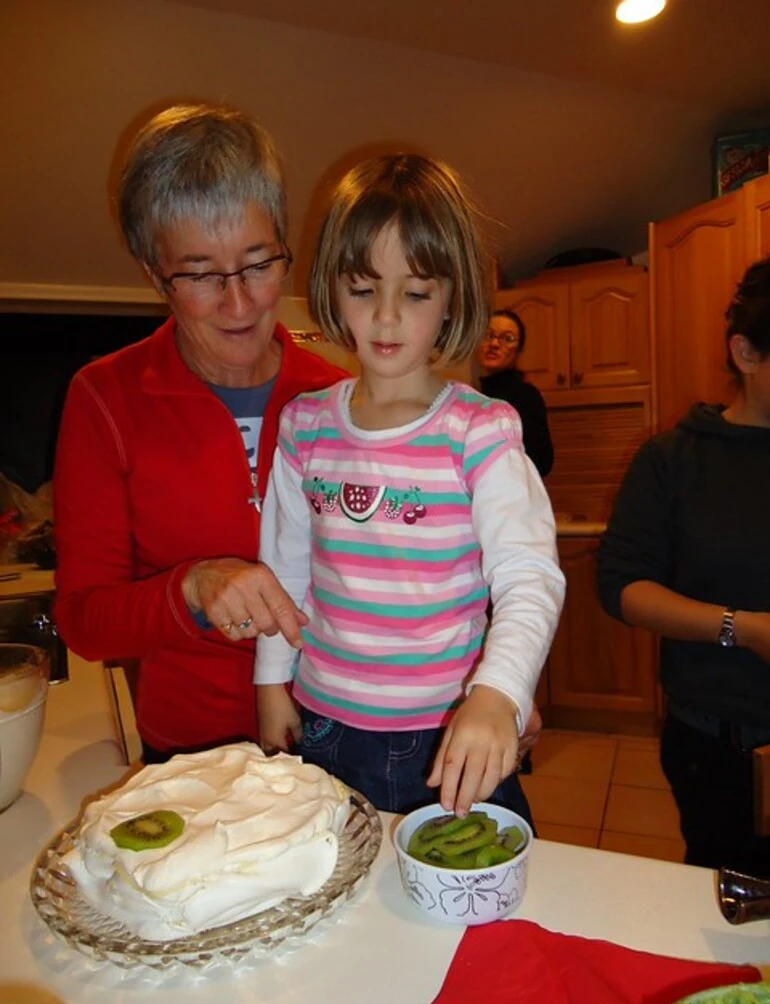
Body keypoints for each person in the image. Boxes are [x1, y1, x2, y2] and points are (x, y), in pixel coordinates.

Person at [253, 153, 565, 820]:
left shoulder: (479, 432)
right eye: (364, 289)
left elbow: (529, 574)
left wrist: (498, 692)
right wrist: (271, 680)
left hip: (448, 729)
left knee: (467, 910)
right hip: (325, 725)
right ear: (332, 288)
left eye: (416, 293)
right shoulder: (304, 426)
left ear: (453, 297)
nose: (387, 318)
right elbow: (284, 570)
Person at [53, 103, 348, 763]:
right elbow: (85, 621)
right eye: (201, 274)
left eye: (258, 262)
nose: (239, 302)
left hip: (340, 734)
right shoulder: (104, 398)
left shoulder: (335, 396)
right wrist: (190, 589)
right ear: (155, 274)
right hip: (194, 754)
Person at [597, 257, 770, 875]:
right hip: (718, 745)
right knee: (732, 906)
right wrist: (744, 628)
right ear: (746, 354)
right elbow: (622, 588)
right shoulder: (674, 460)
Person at [477, 308, 554, 478]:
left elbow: (543, 461)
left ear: (519, 350)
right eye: (488, 335)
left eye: (507, 339)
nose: (495, 344)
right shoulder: (472, 394)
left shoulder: (525, 396)